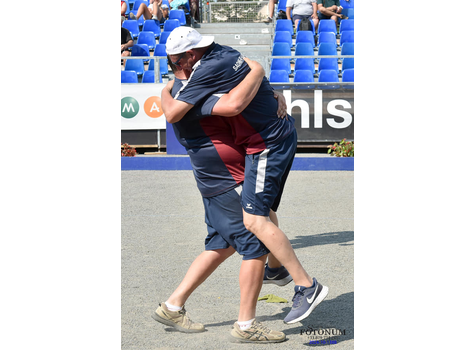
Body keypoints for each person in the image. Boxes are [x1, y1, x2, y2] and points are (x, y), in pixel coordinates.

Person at [162, 27, 328, 325]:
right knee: (231, 239)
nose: (178, 71)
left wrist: (163, 91)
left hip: (253, 153)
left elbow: (184, 110)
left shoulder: (199, 79)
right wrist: (262, 77)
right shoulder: (221, 55)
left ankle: (290, 295)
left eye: (176, 64)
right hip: (242, 160)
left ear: (188, 57)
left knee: (253, 230)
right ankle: (176, 305)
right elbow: (250, 68)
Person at [152, 57, 289, 343]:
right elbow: (235, 105)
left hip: (218, 180)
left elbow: (175, 100)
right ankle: (246, 324)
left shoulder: (181, 89)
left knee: (221, 245)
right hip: (224, 180)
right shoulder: (196, 94)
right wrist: (265, 84)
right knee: (255, 245)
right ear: (189, 64)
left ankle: (172, 306)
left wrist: (270, 92)